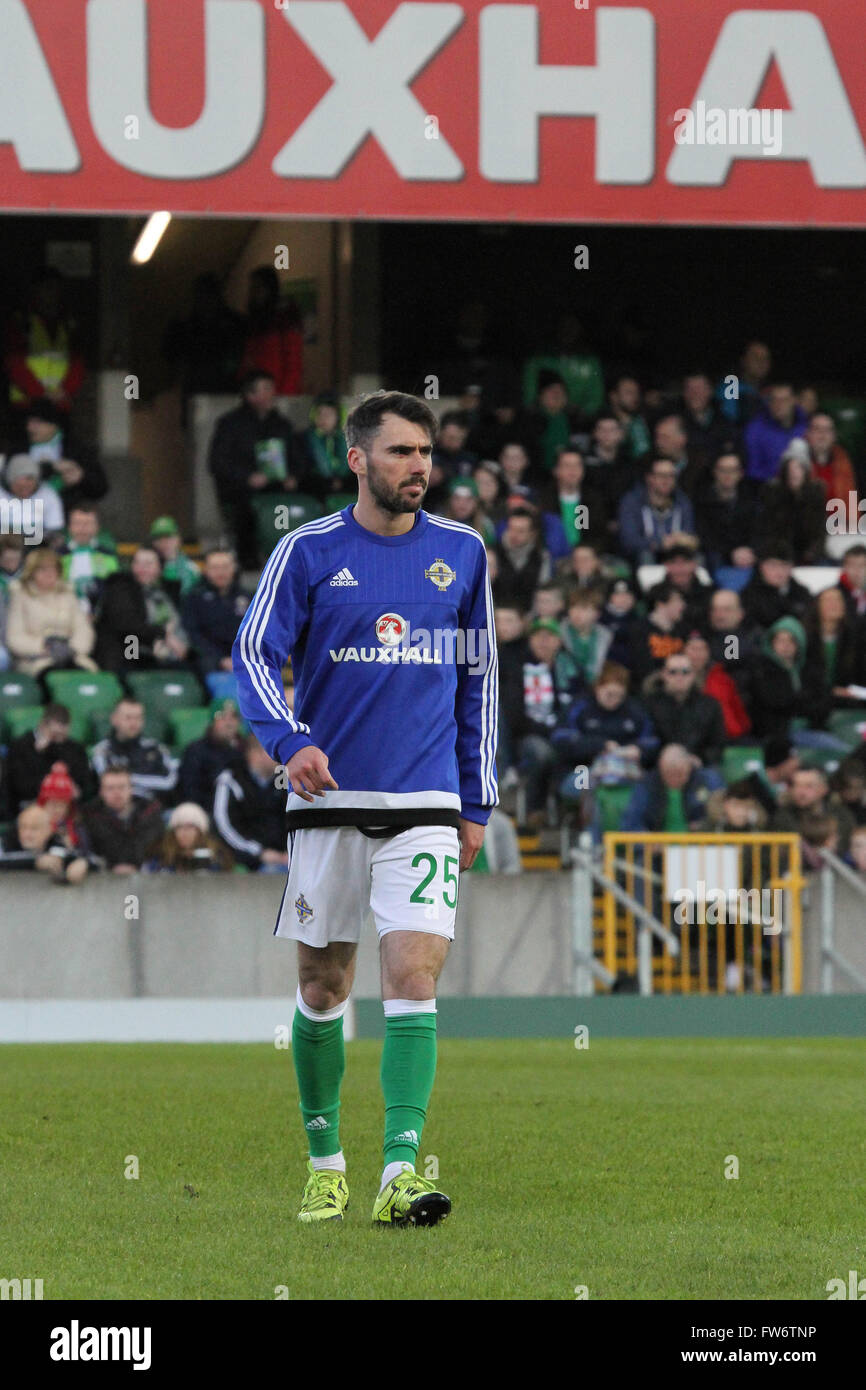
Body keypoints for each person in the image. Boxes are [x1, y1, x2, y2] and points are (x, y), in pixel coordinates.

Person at [231, 388, 497, 1227]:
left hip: (424, 799)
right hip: (328, 801)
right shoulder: (308, 552)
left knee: (413, 975)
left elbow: (478, 682)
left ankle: (399, 1174)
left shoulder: (464, 553)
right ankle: (325, 1165)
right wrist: (288, 739)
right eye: (399, 452)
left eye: (425, 452)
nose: (418, 466)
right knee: (323, 985)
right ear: (357, 458)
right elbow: (253, 651)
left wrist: (478, 799)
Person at [207, 370, 301, 570]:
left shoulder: (282, 425)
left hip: (278, 488)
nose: (272, 394)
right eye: (266, 389)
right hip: (242, 490)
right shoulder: (230, 424)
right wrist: (247, 477)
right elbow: (217, 462)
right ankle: (249, 560)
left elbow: (297, 458)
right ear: (250, 395)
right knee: (246, 509)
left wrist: (293, 476)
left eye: (272, 389)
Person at [499, 616, 575, 824]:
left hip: (566, 733)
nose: (543, 641)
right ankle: (536, 809)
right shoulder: (518, 668)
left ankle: (570, 812)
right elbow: (514, 714)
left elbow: (580, 703)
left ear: (559, 640)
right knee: (541, 753)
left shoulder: (570, 668)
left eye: (549, 636)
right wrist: (549, 731)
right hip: (529, 735)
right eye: (538, 636)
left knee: (580, 757)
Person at [94, 547, 189, 676]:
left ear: (160, 568)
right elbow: (128, 625)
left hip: (165, 645)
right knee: (132, 652)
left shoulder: (167, 590)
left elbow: (176, 621)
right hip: (127, 643)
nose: (141, 568)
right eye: (137, 563)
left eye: (148, 564)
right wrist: (163, 635)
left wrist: (176, 642)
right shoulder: (121, 586)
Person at [5, 546, 97, 680]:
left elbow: (84, 630)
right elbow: (14, 638)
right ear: (31, 572)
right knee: (52, 677)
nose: (49, 574)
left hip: (72, 656)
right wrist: (45, 646)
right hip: (36, 660)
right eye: (43, 570)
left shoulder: (68, 594)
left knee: (88, 678)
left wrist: (71, 649)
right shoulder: (20, 595)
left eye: (53, 569)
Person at [4, 267, 85, 414]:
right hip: (27, 405)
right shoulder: (21, 323)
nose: (52, 294)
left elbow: (78, 362)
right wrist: (40, 393)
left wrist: (64, 391)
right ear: (35, 291)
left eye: (56, 289)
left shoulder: (68, 323)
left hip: (60, 405)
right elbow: (13, 362)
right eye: (47, 288)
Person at [14, 398, 108, 519]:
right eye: (29, 422)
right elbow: (10, 478)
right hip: (24, 516)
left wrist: (81, 477)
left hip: (66, 518)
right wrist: (52, 467)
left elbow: (101, 487)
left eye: (37, 423)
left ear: (53, 425)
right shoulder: (19, 449)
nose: (30, 428)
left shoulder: (76, 449)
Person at [2, 703, 92, 817]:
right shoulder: (21, 746)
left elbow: (83, 781)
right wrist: (41, 755)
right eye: (55, 735)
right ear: (42, 725)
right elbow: (19, 785)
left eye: (63, 735)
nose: (59, 741)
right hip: (30, 806)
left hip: (67, 807)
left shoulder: (75, 748)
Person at [181, 547, 252, 679]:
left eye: (225, 567)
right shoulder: (194, 597)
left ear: (234, 568)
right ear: (206, 570)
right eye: (215, 567)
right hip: (208, 658)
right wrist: (220, 659)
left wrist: (239, 658)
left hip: (242, 657)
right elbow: (193, 633)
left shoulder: (247, 597)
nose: (221, 572)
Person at [90, 698, 178, 804]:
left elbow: (169, 782)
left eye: (138, 718)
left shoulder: (155, 748)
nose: (133, 723)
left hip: (154, 810)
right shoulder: (103, 751)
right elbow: (109, 785)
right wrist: (143, 785)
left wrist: (127, 782)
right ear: (114, 719)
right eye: (128, 718)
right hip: (114, 811)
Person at [645, 654, 726, 767]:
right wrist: (667, 759)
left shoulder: (710, 705)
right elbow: (646, 742)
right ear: (664, 674)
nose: (679, 676)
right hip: (659, 767)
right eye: (673, 672)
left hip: (699, 767)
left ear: (693, 675)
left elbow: (718, 745)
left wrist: (700, 759)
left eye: (685, 672)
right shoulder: (649, 704)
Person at [79, 766, 165, 873]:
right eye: (110, 788)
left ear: (131, 789)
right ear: (101, 791)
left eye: (121, 787)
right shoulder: (89, 815)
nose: (116, 793)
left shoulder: (150, 812)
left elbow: (152, 845)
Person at [621, 743, 722, 832]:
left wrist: (704, 826)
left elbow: (721, 816)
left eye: (680, 774)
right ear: (660, 767)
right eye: (668, 774)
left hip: (698, 849)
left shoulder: (707, 780)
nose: (674, 779)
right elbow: (630, 825)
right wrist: (648, 842)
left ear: (689, 767)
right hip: (657, 851)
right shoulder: (646, 785)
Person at [237, 265, 303, 397]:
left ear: (270, 289)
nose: (253, 293)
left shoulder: (285, 319)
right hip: (254, 394)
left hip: (276, 394)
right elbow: (248, 359)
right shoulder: (252, 321)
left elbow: (293, 364)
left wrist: (284, 397)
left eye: (258, 288)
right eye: (252, 288)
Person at [617, 458, 696, 566]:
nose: (666, 480)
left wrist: (682, 540)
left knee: (696, 558)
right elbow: (629, 540)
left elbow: (689, 534)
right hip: (644, 554)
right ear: (649, 478)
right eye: (661, 476)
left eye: (671, 476)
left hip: (677, 553)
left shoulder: (682, 502)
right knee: (646, 556)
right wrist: (660, 543)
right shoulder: (632, 502)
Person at [759, 441, 827, 566]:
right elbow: (770, 531)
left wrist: (812, 552)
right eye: (789, 468)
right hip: (780, 555)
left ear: (805, 472)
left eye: (798, 467)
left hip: (810, 555)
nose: (793, 472)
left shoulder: (815, 496)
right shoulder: (773, 495)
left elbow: (820, 532)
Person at [694, 452, 758, 574]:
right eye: (723, 470)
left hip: (746, 553)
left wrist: (749, 549)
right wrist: (731, 552)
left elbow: (758, 530)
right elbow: (704, 536)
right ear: (715, 472)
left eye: (733, 470)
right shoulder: (702, 500)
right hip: (718, 554)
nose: (728, 475)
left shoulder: (751, 500)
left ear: (740, 474)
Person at [177, 698, 245, 812]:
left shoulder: (246, 751)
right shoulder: (196, 751)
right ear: (212, 721)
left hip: (241, 815)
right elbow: (189, 792)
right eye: (222, 717)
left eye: (233, 717)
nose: (229, 723)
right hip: (205, 812)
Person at [0, 802, 89, 883]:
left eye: (34, 828)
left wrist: (82, 863)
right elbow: (3, 860)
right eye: (23, 827)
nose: (27, 833)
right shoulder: (7, 840)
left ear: (48, 830)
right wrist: (36, 862)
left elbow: (65, 857)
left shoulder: (56, 842)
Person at [58, 504, 120, 613]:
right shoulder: (58, 556)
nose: (82, 528)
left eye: (88, 523)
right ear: (69, 527)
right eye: (77, 523)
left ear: (97, 527)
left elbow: (114, 590)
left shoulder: (108, 556)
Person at [744, 381, 808, 483]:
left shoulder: (807, 423)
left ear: (794, 400)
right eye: (774, 400)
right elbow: (752, 469)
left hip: (804, 487)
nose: (778, 405)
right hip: (769, 488)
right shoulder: (755, 429)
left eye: (784, 400)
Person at [144, 801, 234, 873]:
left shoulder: (216, 857)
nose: (184, 833)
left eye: (190, 827)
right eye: (179, 827)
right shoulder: (161, 858)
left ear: (200, 831)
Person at [492, 505, 553, 610]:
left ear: (532, 533)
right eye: (511, 529)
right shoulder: (493, 554)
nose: (514, 535)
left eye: (520, 531)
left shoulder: (541, 556)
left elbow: (542, 591)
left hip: (529, 618)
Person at [741, 541, 812, 631]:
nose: (779, 571)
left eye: (784, 565)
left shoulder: (802, 594)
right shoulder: (748, 597)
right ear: (761, 567)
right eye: (773, 565)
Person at [628, 580, 687, 685]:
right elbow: (641, 667)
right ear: (660, 604)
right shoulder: (640, 629)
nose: (682, 605)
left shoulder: (682, 630)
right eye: (678, 601)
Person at [297, 392, 351, 500]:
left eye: (329, 414)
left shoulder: (348, 440)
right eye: (319, 414)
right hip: (317, 489)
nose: (323, 418)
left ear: (339, 417)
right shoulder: (304, 439)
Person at [805, 412, 857, 521]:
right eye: (817, 429)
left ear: (834, 436)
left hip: (839, 529)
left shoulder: (843, 462)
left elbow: (851, 502)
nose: (822, 435)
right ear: (808, 434)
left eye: (827, 430)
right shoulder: (797, 462)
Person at [0, 454, 65, 536]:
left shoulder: (48, 495)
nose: (24, 491)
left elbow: (55, 528)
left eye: (29, 485)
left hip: (39, 544)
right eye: (20, 487)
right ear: (10, 482)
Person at [715, 339, 772, 426]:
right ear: (744, 361)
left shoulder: (771, 391)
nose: (761, 362)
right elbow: (727, 423)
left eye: (766, 358)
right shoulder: (731, 386)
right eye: (755, 357)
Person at [148, 517, 201, 600]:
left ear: (178, 539)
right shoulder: (145, 568)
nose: (163, 542)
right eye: (159, 538)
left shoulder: (191, 569)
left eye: (168, 537)